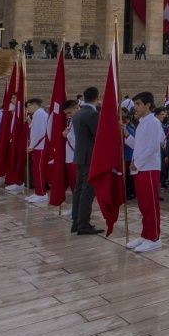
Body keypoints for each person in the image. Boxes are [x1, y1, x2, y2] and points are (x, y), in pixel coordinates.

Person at [126, 92, 164, 253]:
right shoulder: (142, 122)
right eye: (135, 104)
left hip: (148, 168)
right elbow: (139, 145)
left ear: (148, 105)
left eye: (139, 104)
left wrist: (137, 163)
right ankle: (145, 234)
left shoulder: (153, 122)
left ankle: (154, 237)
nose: (136, 108)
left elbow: (153, 147)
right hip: (140, 168)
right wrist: (127, 135)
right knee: (143, 204)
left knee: (150, 204)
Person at [71, 87, 101, 235]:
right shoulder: (92, 114)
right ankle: (83, 224)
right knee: (87, 191)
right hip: (89, 157)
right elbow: (99, 135)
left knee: (79, 190)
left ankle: (76, 221)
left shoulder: (78, 113)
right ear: (97, 97)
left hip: (80, 156)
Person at [25, 99, 49, 204]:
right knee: (36, 170)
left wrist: (31, 146)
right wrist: (30, 123)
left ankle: (42, 194)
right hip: (38, 146)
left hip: (40, 146)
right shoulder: (38, 114)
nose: (27, 108)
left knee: (39, 170)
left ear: (34, 105)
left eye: (28, 106)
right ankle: (38, 192)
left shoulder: (39, 114)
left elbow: (38, 132)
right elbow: (36, 129)